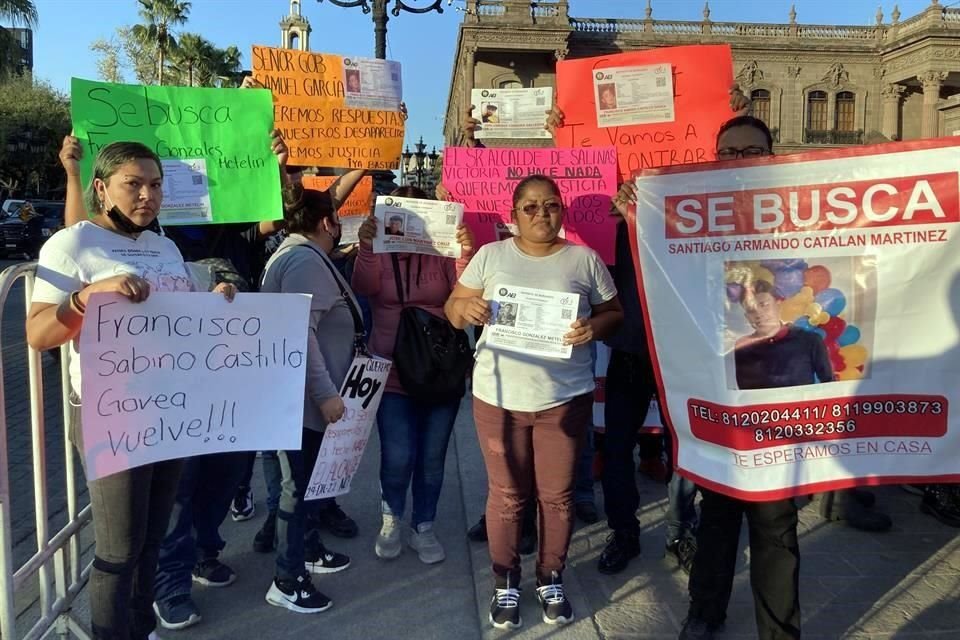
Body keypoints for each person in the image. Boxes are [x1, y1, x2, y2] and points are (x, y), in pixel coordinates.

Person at [26, 140, 237, 640]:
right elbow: (37, 334)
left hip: (170, 408)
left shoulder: (165, 246)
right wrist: (85, 296)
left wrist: (216, 302)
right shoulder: (72, 244)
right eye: (134, 184)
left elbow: (180, 323)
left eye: (156, 185)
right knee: (118, 550)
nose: (148, 195)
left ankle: (142, 627)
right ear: (101, 188)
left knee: (152, 538)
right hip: (111, 412)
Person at [445, 175, 623, 629]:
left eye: (550, 206)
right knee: (506, 496)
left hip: (563, 399)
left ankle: (551, 575)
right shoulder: (491, 255)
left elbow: (613, 312)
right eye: (530, 207)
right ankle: (505, 580)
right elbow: (453, 305)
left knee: (557, 497)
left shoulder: (584, 260)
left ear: (562, 211)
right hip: (499, 398)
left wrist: (593, 329)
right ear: (514, 214)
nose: (541, 214)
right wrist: (466, 311)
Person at [674, 115, 801, 640]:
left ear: (772, 154)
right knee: (718, 512)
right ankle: (705, 614)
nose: (740, 159)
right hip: (718, 390)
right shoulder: (691, 213)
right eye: (729, 152)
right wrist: (633, 211)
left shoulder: (797, 214)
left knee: (775, 524)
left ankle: (779, 632)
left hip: (777, 391)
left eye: (752, 150)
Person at [351, 185, 474, 564]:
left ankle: (424, 525)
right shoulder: (380, 254)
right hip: (391, 373)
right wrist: (368, 248)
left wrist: (464, 252)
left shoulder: (441, 253)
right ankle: (391, 519)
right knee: (399, 454)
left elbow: (465, 293)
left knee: (432, 457)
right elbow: (363, 287)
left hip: (439, 371)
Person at [259, 181, 357, 613]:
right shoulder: (305, 260)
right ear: (327, 223)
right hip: (303, 401)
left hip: (298, 397)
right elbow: (301, 331)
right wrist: (325, 393)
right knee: (296, 489)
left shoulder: (302, 254)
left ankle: (310, 551)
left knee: (306, 486)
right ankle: (288, 578)